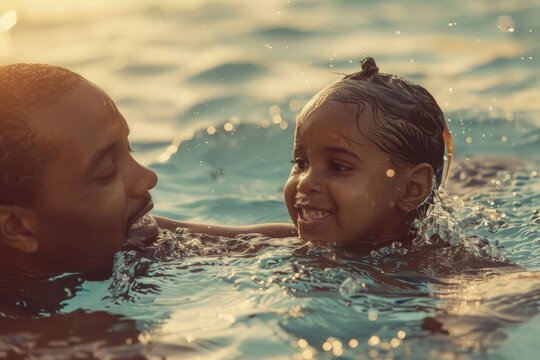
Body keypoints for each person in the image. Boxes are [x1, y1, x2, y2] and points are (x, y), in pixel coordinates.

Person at [0, 63, 296, 277]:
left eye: (129, 150)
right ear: (17, 227)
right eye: (105, 172)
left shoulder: (130, 233)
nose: (147, 178)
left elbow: (277, 243)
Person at [283, 57, 452, 250]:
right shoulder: (276, 241)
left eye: (338, 167)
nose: (305, 182)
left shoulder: (441, 266)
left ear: (411, 188)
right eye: (301, 163)